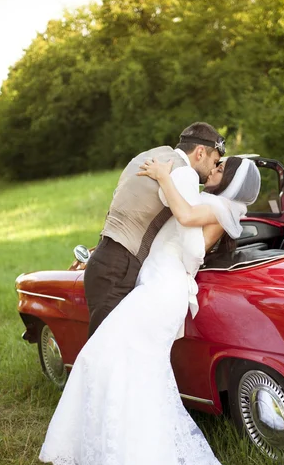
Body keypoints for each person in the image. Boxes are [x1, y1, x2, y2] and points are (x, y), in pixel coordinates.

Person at [39, 155, 269, 465]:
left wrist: (164, 174)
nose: (213, 169)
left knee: (103, 358)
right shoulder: (214, 204)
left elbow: (181, 215)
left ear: (226, 181)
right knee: (129, 370)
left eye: (219, 167)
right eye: (215, 163)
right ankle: (121, 458)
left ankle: (118, 463)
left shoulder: (214, 207)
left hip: (164, 293)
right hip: (157, 290)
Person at [84, 121, 224, 338]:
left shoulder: (150, 156)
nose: (213, 169)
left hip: (104, 260)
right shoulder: (183, 174)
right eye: (214, 161)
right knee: (108, 349)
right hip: (122, 267)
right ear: (199, 153)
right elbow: (188, 227)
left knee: (106, 348)